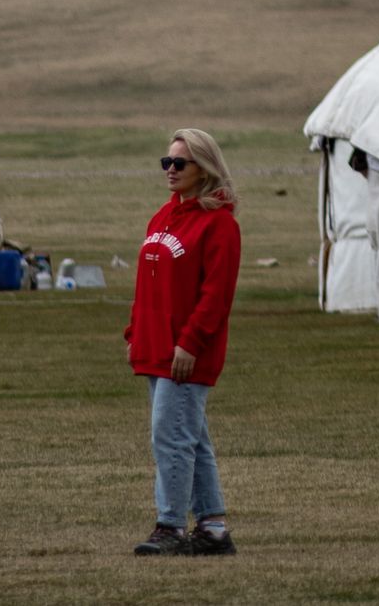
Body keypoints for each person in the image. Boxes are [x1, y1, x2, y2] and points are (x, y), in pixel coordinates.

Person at [124, 127, 243, 556]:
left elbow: (216, 295)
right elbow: (148, 284)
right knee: (190, 438)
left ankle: (171, 526)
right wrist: (135, 332)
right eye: (166, 162)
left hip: (187, 353)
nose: (170, 170)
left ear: (204, 168)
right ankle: (212, 529)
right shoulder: (162, 216)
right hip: (156, 347)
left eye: (180, 163)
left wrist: (190, 343)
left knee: (170, 438)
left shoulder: (220, 224)